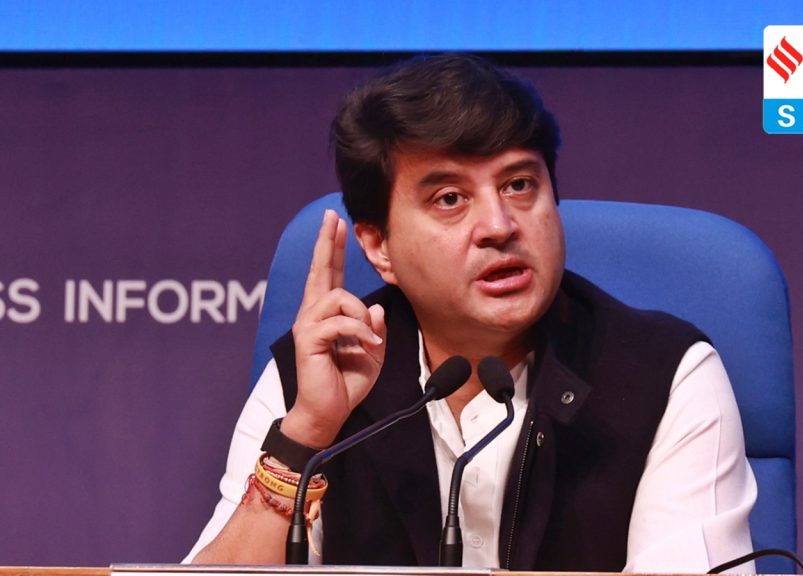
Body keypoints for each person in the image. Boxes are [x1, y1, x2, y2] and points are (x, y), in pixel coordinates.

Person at [187, 53, 756, 572]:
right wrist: (307, 433)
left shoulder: (663, 375)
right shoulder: (317, 373)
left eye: (519, 184)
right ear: (379, 247)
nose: (499, 226)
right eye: (450, 199)